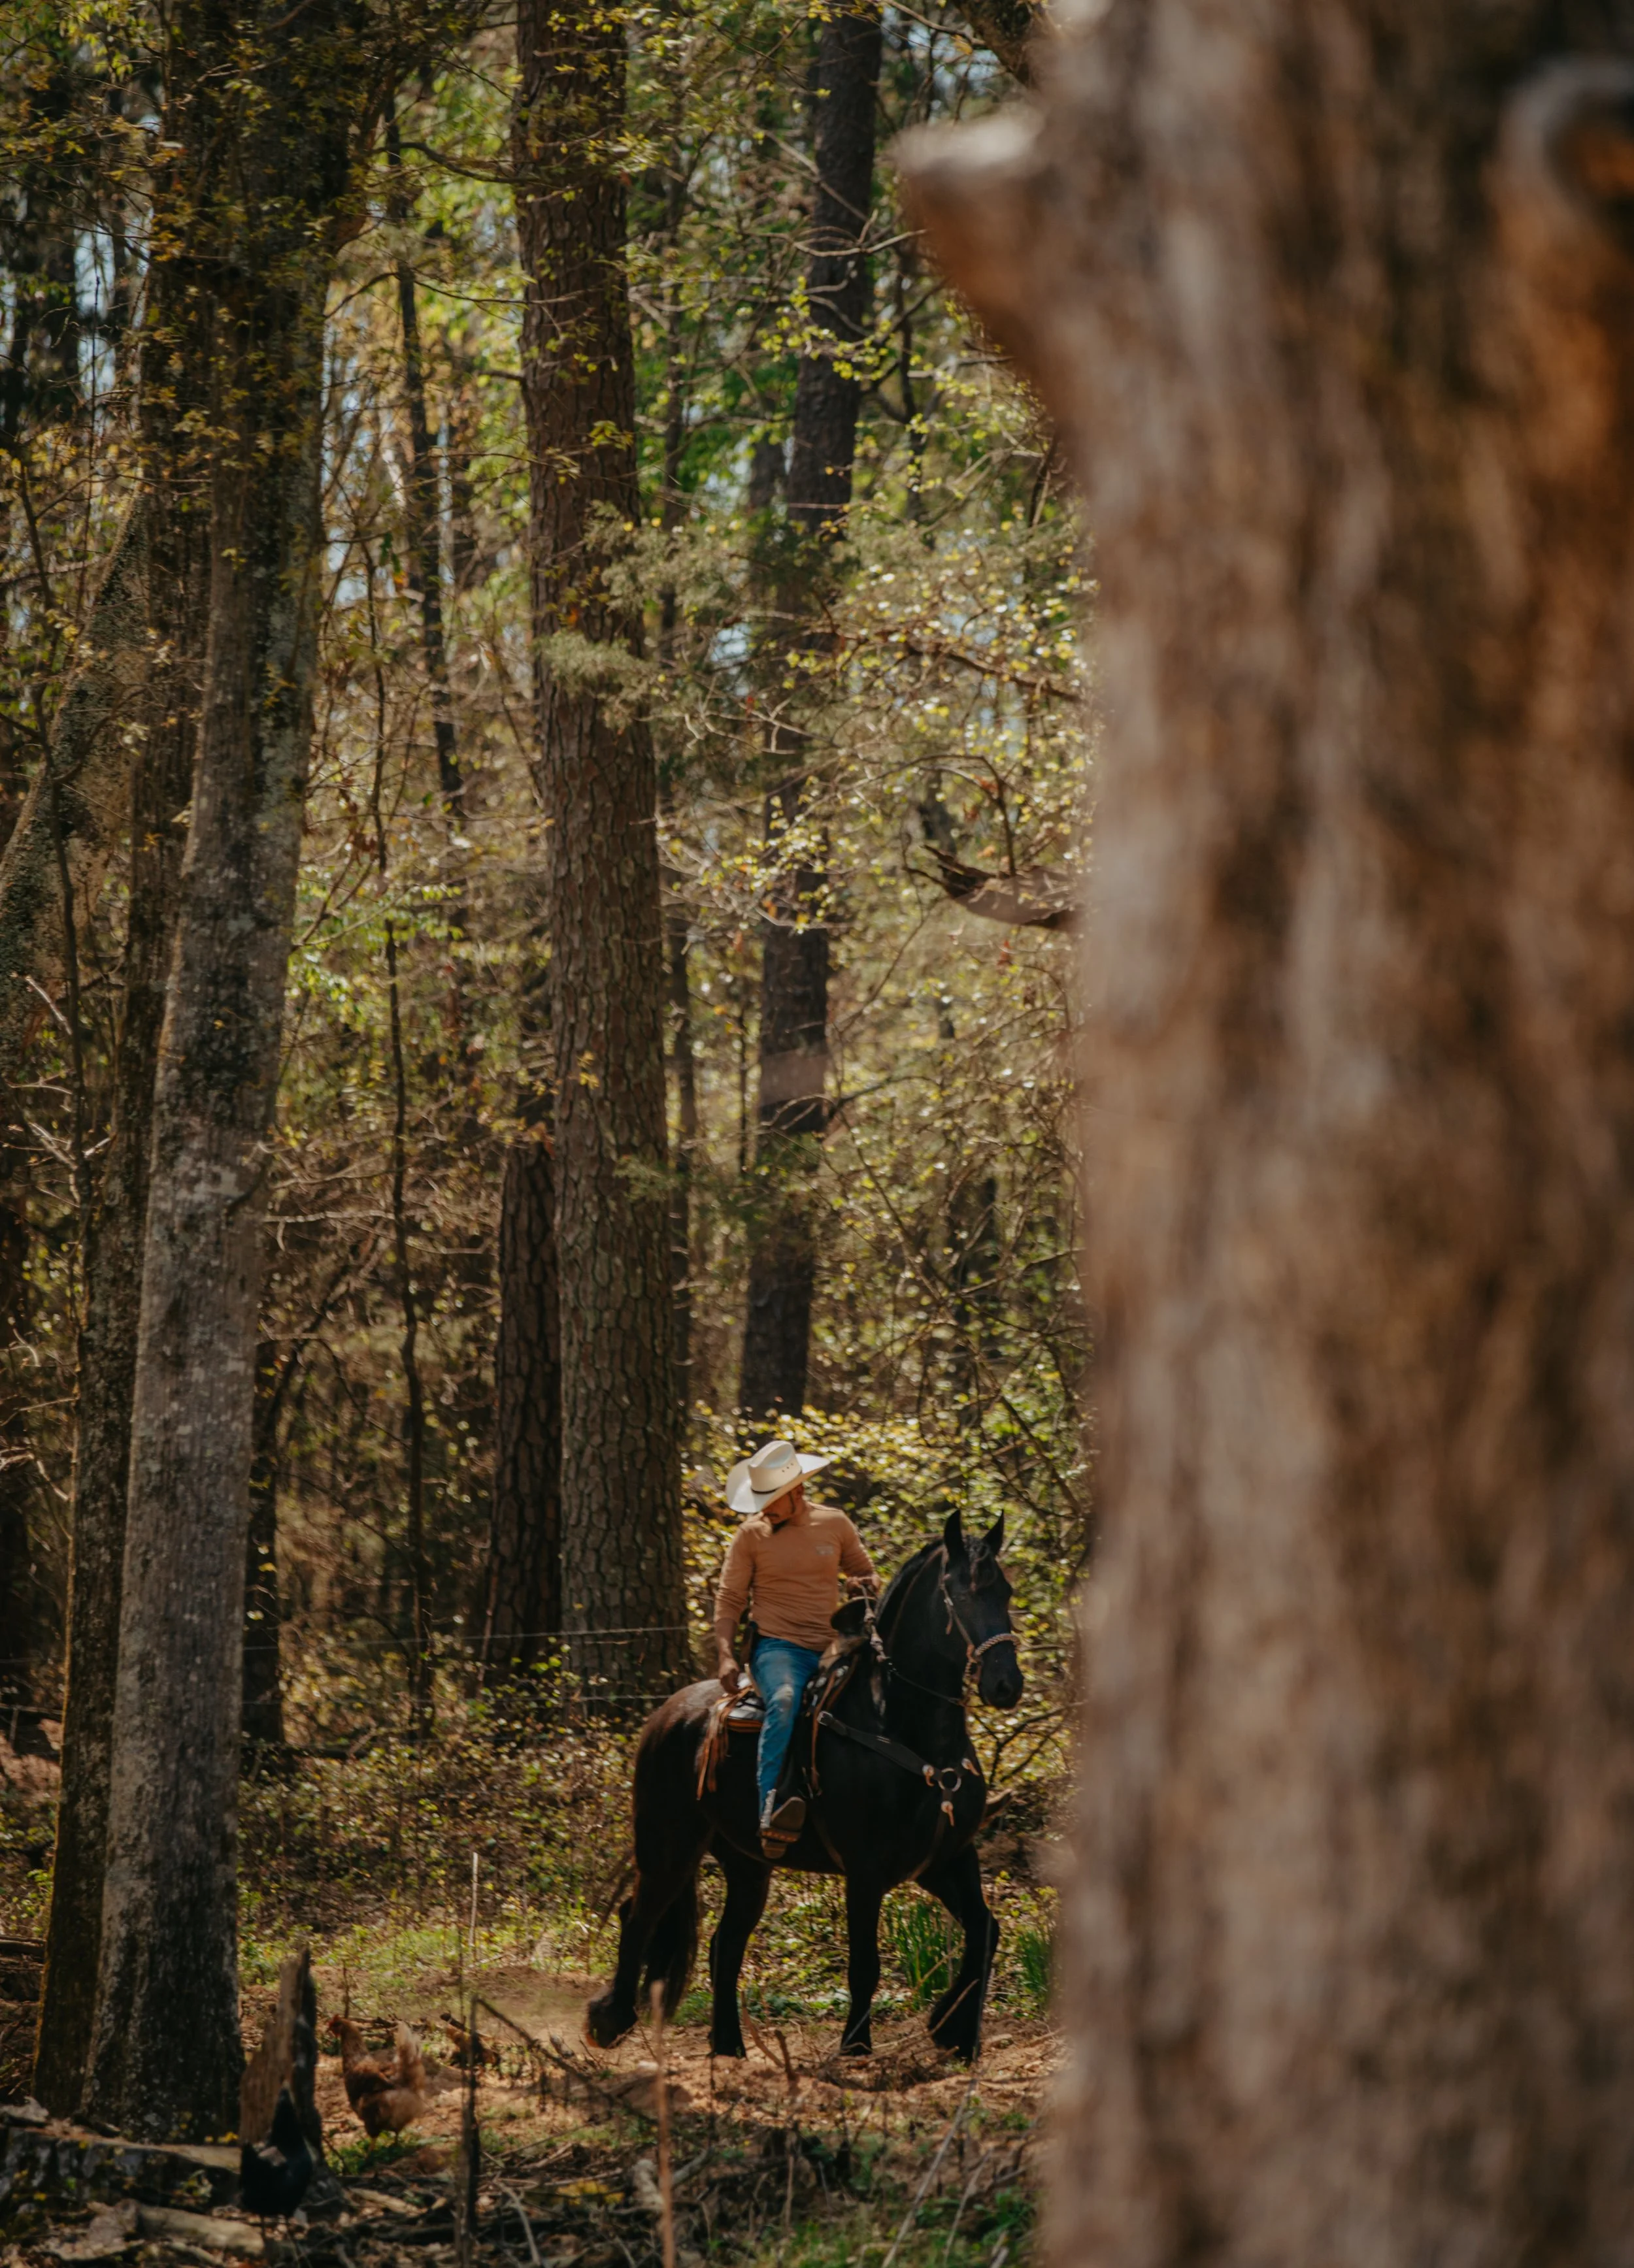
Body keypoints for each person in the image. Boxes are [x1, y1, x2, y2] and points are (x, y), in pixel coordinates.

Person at [713, 1438, 877, 1857]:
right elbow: (730, 1599)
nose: (763, 1508)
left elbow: (863, 1570)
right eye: (761, 1499)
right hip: (777, 1647)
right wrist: (726, 1654)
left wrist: (863, 1585)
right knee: (785, 1702)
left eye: (772, 1500)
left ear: (797, 1492)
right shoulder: (750, 1536)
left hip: (833, 1646)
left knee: (879, 1697)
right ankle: (770, 1806)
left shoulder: (835, 1524)